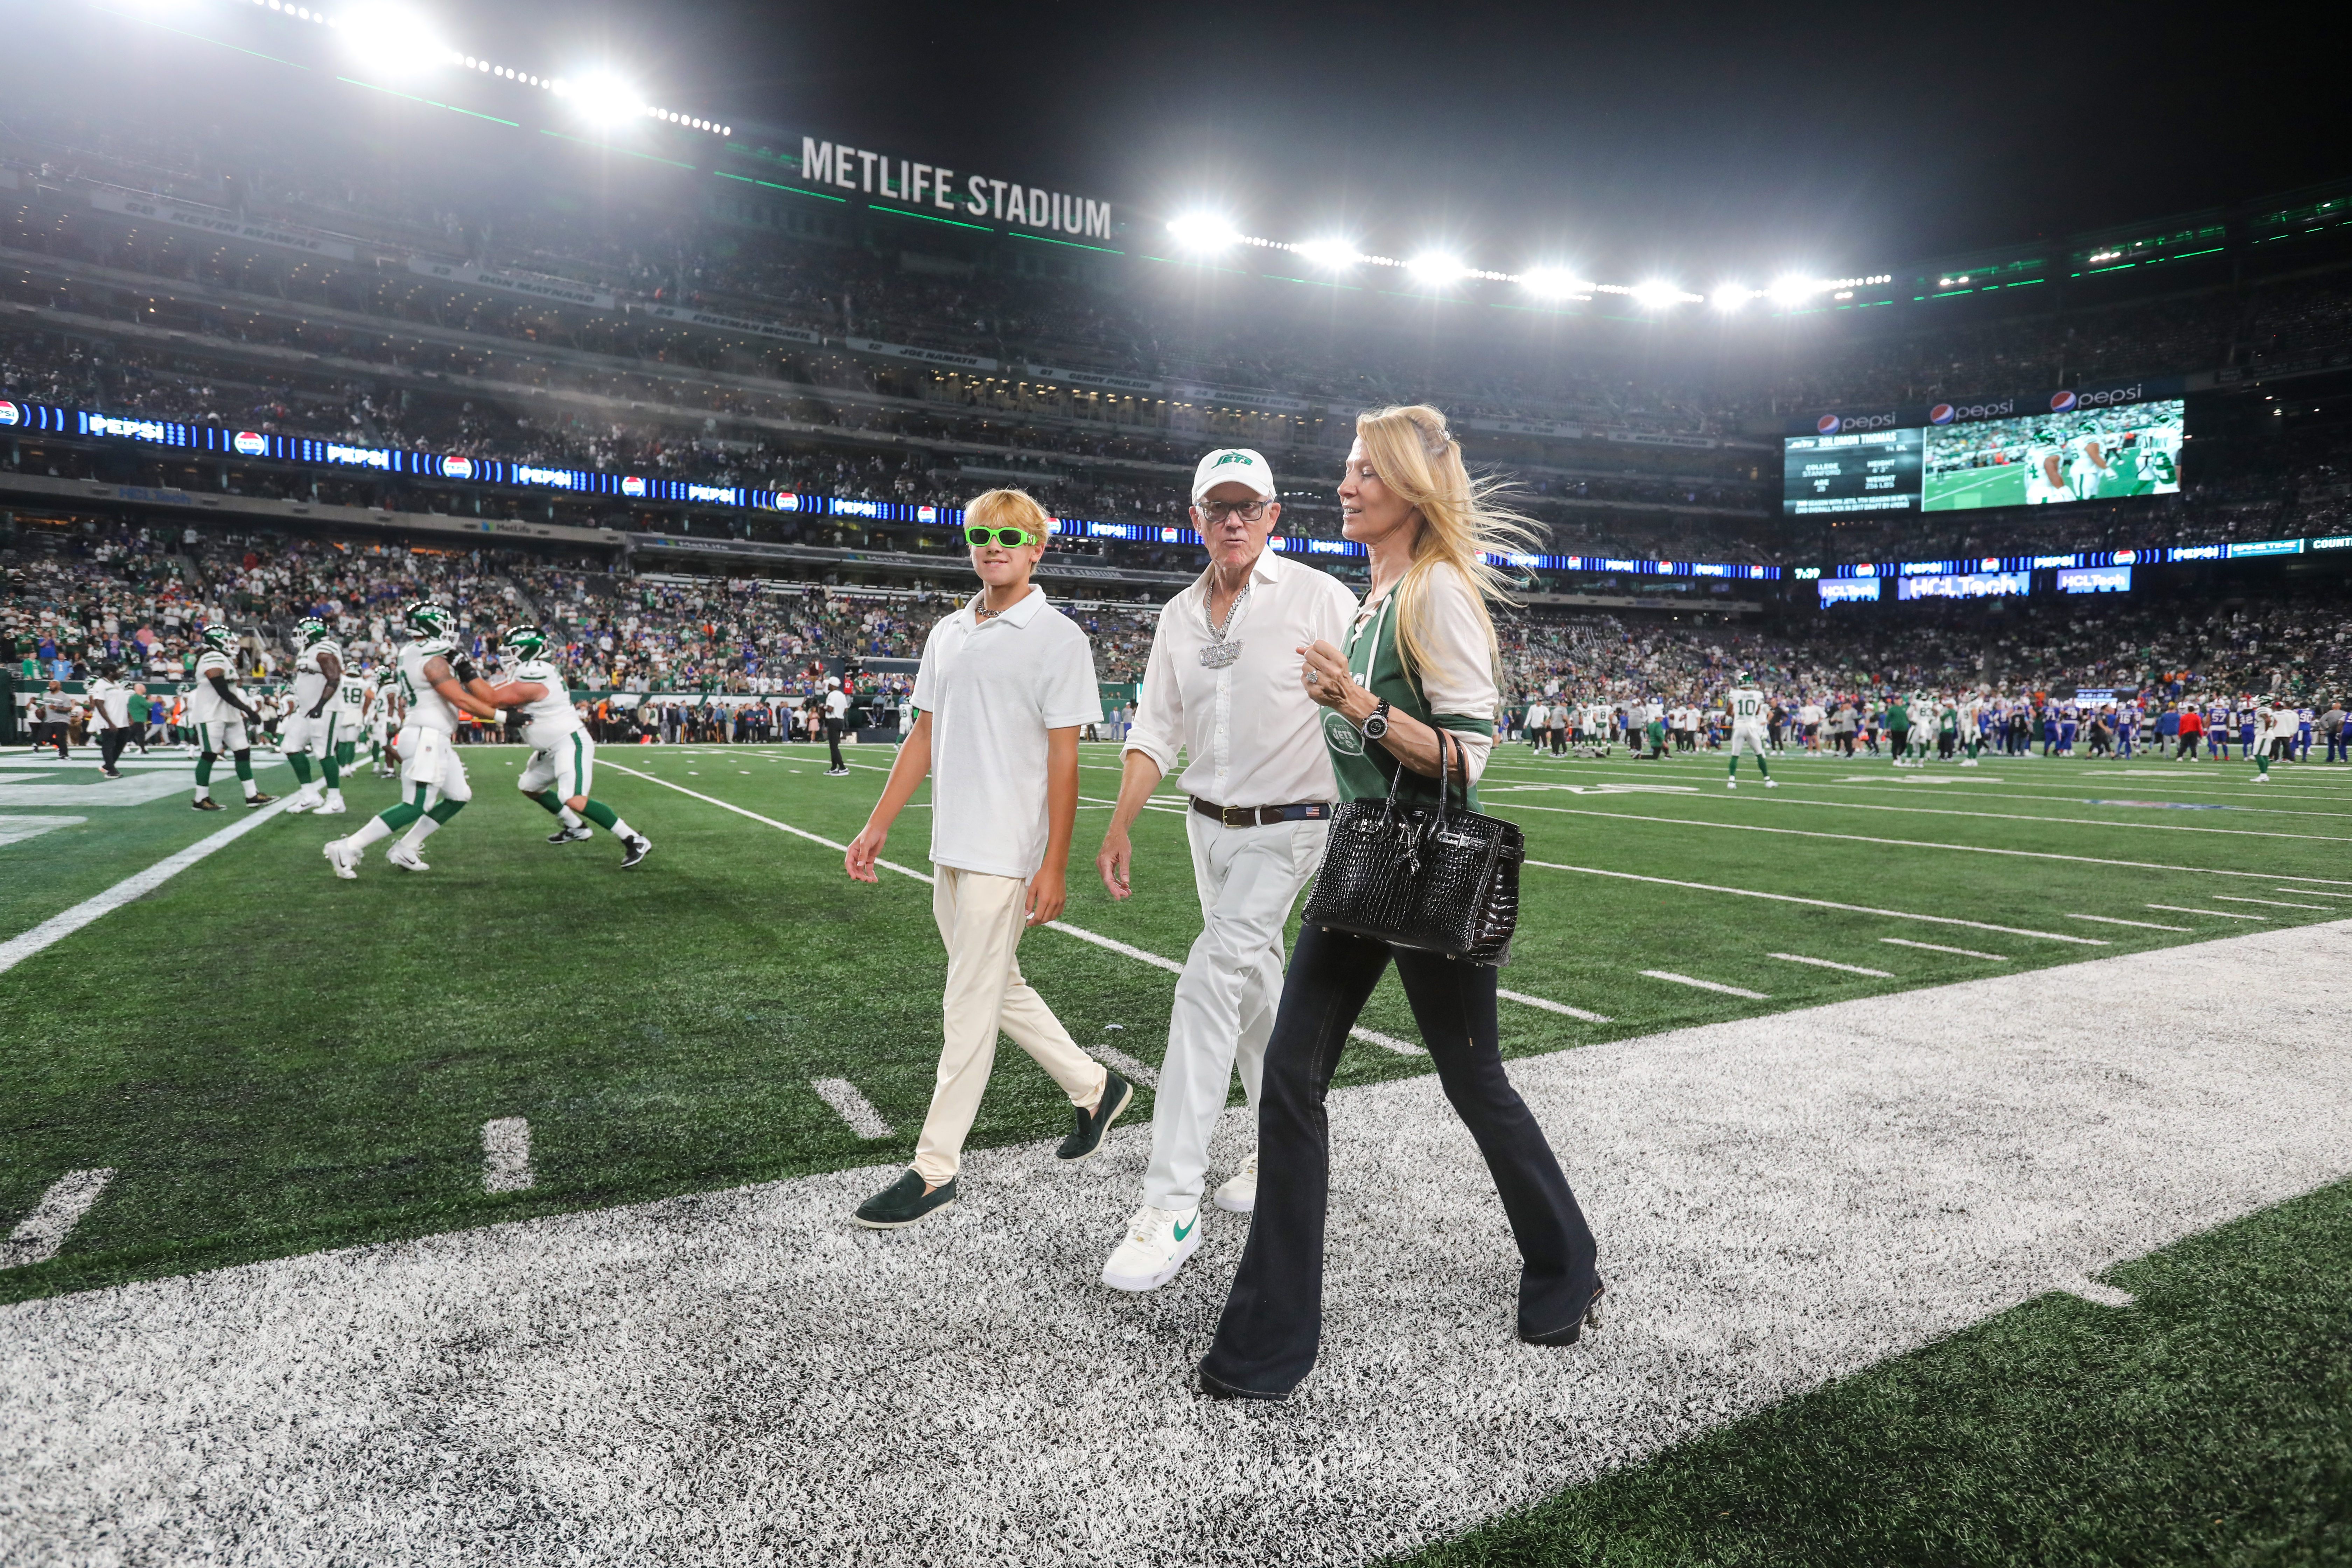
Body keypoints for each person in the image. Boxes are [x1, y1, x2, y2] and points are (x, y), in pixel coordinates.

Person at [1199, 405, 1602, 1402]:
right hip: (1362, 858)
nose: (1345, 486)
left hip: (1423, 867)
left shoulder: (1436, 594)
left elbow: (1470, 755)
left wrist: (1361, 708)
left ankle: (1568, 1261)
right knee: (1290, 1078)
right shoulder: (1373, 598)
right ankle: (1271, 1335)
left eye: (1363, 474)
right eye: (1344, 471)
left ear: (1409, 491)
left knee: (1475, 1082)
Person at [1094, 446, 1356, 1292]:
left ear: (1275, 515)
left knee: (1208, 985)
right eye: (1219, 508)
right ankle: (1287, 1155)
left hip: (1293, 828)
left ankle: (1171, 1205)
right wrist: (1121, 823)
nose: (1234, 521)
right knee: (1254, 999)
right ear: (1196, 516)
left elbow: (1366, 702)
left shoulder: (1322, 597)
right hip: (1205, 829)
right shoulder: (1178, 613)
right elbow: (1155, 730)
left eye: (1249, 506)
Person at [842, 489, 1131, 1229]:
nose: (993, 544)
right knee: (996, 986)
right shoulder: (947, 631)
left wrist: (1054, 864)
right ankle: (1097, 1088)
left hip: (1007, 849)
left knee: (966, 1005)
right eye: (980, 533)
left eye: (1009, 534)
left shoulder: (1059, 636)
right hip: (952, 844)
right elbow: (925, 735)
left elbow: (1066, 762)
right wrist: (878, 823)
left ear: (1038, 547)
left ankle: (935, 1168)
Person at [323, 603, 497, 877]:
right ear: (432, 627)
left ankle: (407, 846)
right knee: (416, 804)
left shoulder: (411, 650)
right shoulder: (430, 655)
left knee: (459, 796)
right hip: (426, 736)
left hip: (431, 734)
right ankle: (348, 846)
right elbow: (461, 699)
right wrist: (502, 717)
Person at [484, 627, 653, 866]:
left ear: (527, 651)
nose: (507, 656)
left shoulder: (536, 671)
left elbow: (492, 699)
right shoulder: (527, 671)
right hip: (550, 749)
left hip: (568, 742)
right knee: (529, 786)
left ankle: (634, 839)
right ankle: (576, 827)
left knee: (572, 797)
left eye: (512, 651)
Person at [187, 625, 275, 810]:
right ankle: (200, 799)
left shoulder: (223, 658)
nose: (232, 644)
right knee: (209, 755)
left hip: (229, 715)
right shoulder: (212, 656)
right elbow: (222, 690)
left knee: (243, 752)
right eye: (227, 641)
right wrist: (248, 710)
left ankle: (252, 795)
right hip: (211, 714)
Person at [280, 618, 350, 817]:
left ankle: (336, 800)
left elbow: (334, 678)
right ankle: (310, 795)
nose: (299, 637)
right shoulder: (307, 651)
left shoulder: (324, 648)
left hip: (326, 709)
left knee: (324, 752)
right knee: (290, 747)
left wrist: (320, 705)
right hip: (305, 710)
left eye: (303, 632)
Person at [1723, 674, 1777, 789]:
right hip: (1752, 727)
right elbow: (1758, 711)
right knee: (1759, 754)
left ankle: (1732, 781)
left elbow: (1729, 711)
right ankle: (1767, 780)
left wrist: (1734, 714)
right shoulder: (1758, 695)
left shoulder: (1735, 693)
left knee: (1735, 755)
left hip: (1739, 727)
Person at [85, 663, 133, 779]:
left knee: (121, 744)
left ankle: (108, 765)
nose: (120, 673)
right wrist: (110, 722)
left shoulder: (117, 684)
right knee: (109, 744)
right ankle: (111, 770)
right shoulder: (100, 685)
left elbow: (122, 702)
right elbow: (99, 704)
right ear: (111, 672)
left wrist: (129, 716)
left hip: (122, 720)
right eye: (117, 671)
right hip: (109, 721)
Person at [822, 676, 851, 776]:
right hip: (840, 720)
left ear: (832, 685)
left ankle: (842, 767)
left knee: (834, 746)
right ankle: (834, 767)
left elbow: (830, 709)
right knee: (834, 745)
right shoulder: (842, 695)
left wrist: (823, 707)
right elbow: (846, 710)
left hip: (833, 721)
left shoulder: (832, 695)